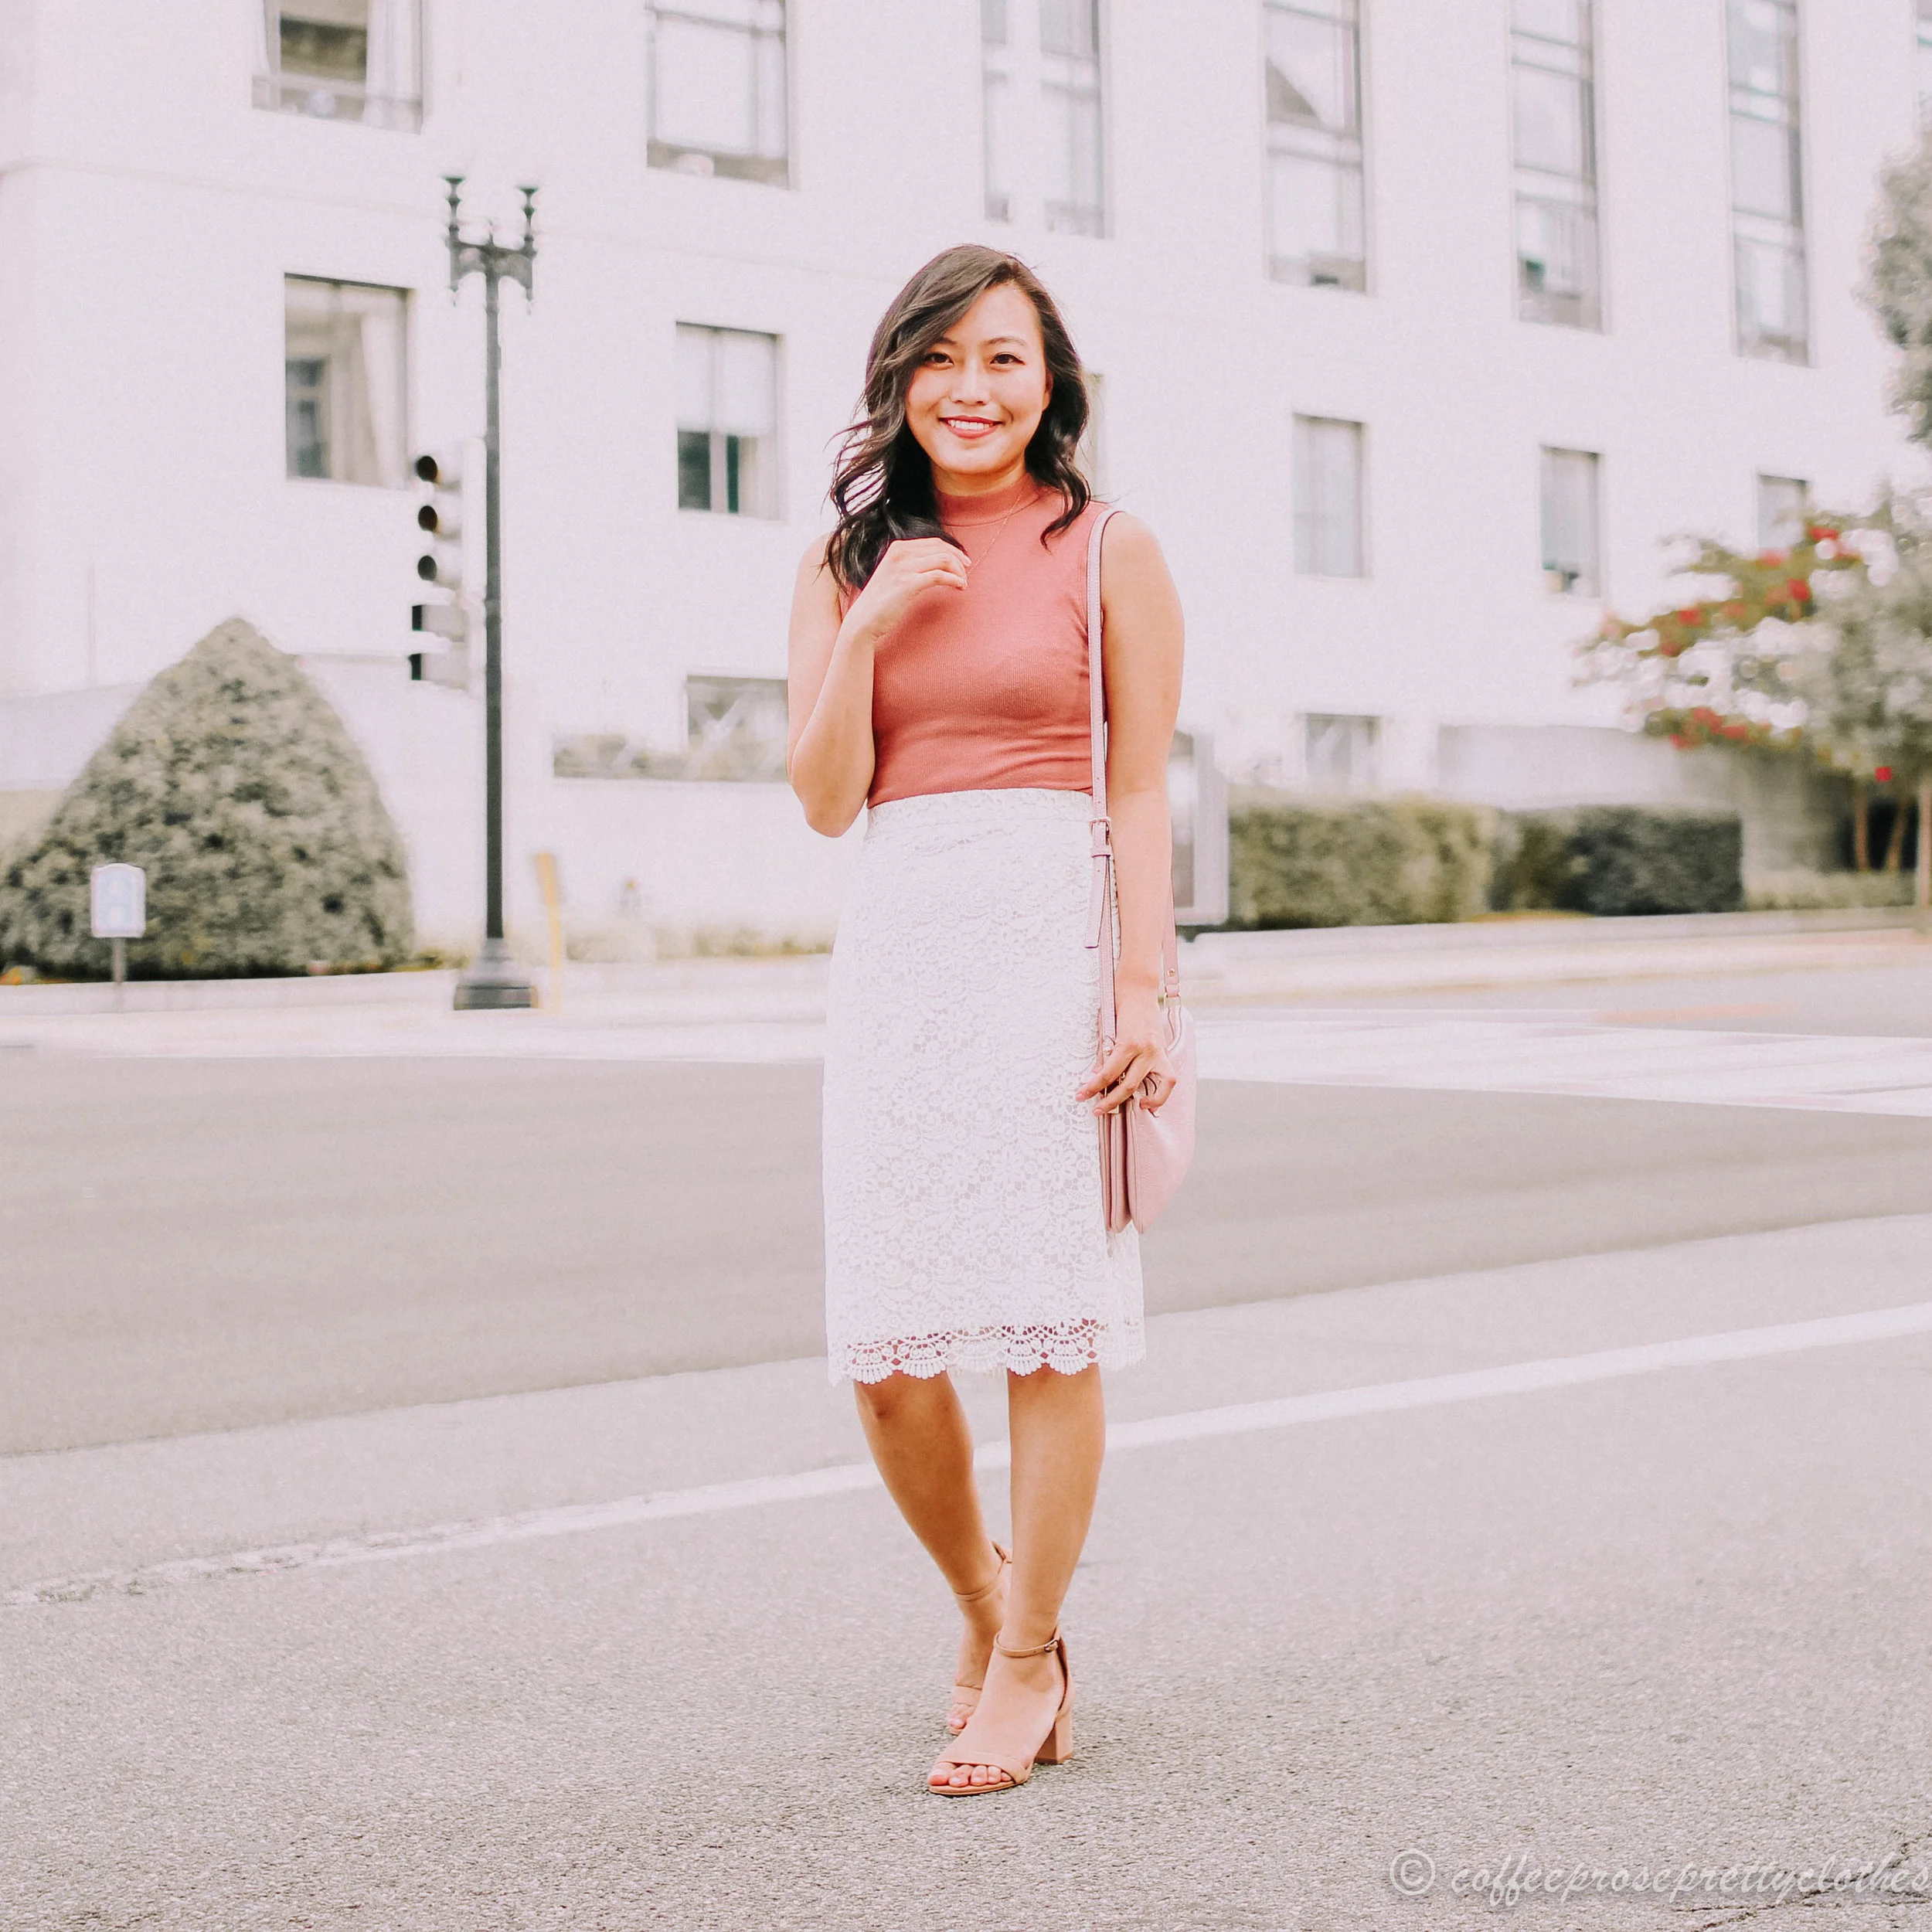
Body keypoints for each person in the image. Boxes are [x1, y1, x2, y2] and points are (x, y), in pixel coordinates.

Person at [787, 244, 1185, 1796]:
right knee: (887, 1351)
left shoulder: (1108, 548)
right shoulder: (842, 565)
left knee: (1048, 1324)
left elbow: (1141, 785)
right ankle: (980, 1601)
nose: (971, 386)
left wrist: (1139, 987)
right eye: (940, 357)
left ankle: (1027, 1657)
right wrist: (875, 623)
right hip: (897, 947)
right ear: (897, 380)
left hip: (1047, 949)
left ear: (1048, 383)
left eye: (1003, 357)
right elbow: (824, 801)